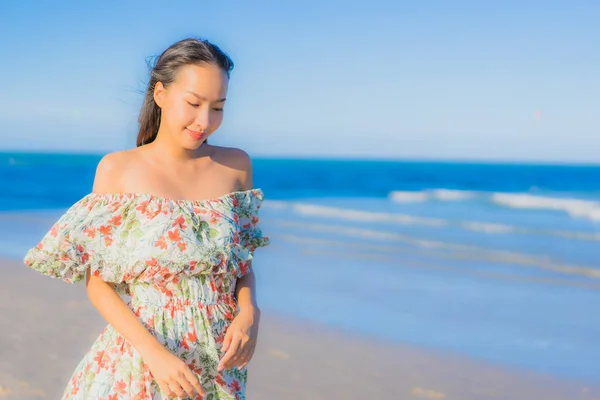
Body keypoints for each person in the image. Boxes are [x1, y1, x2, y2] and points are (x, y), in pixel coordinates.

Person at [23, 37, 270, 400]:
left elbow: (241, 262)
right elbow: (98, 281)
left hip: (217, 366)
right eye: (193, 103)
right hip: (140, 359)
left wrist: (250, 312)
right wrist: (154, 354)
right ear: (160, 94)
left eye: (218, 107)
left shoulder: (236, 166)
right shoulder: (118, 170)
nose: (205, 121)